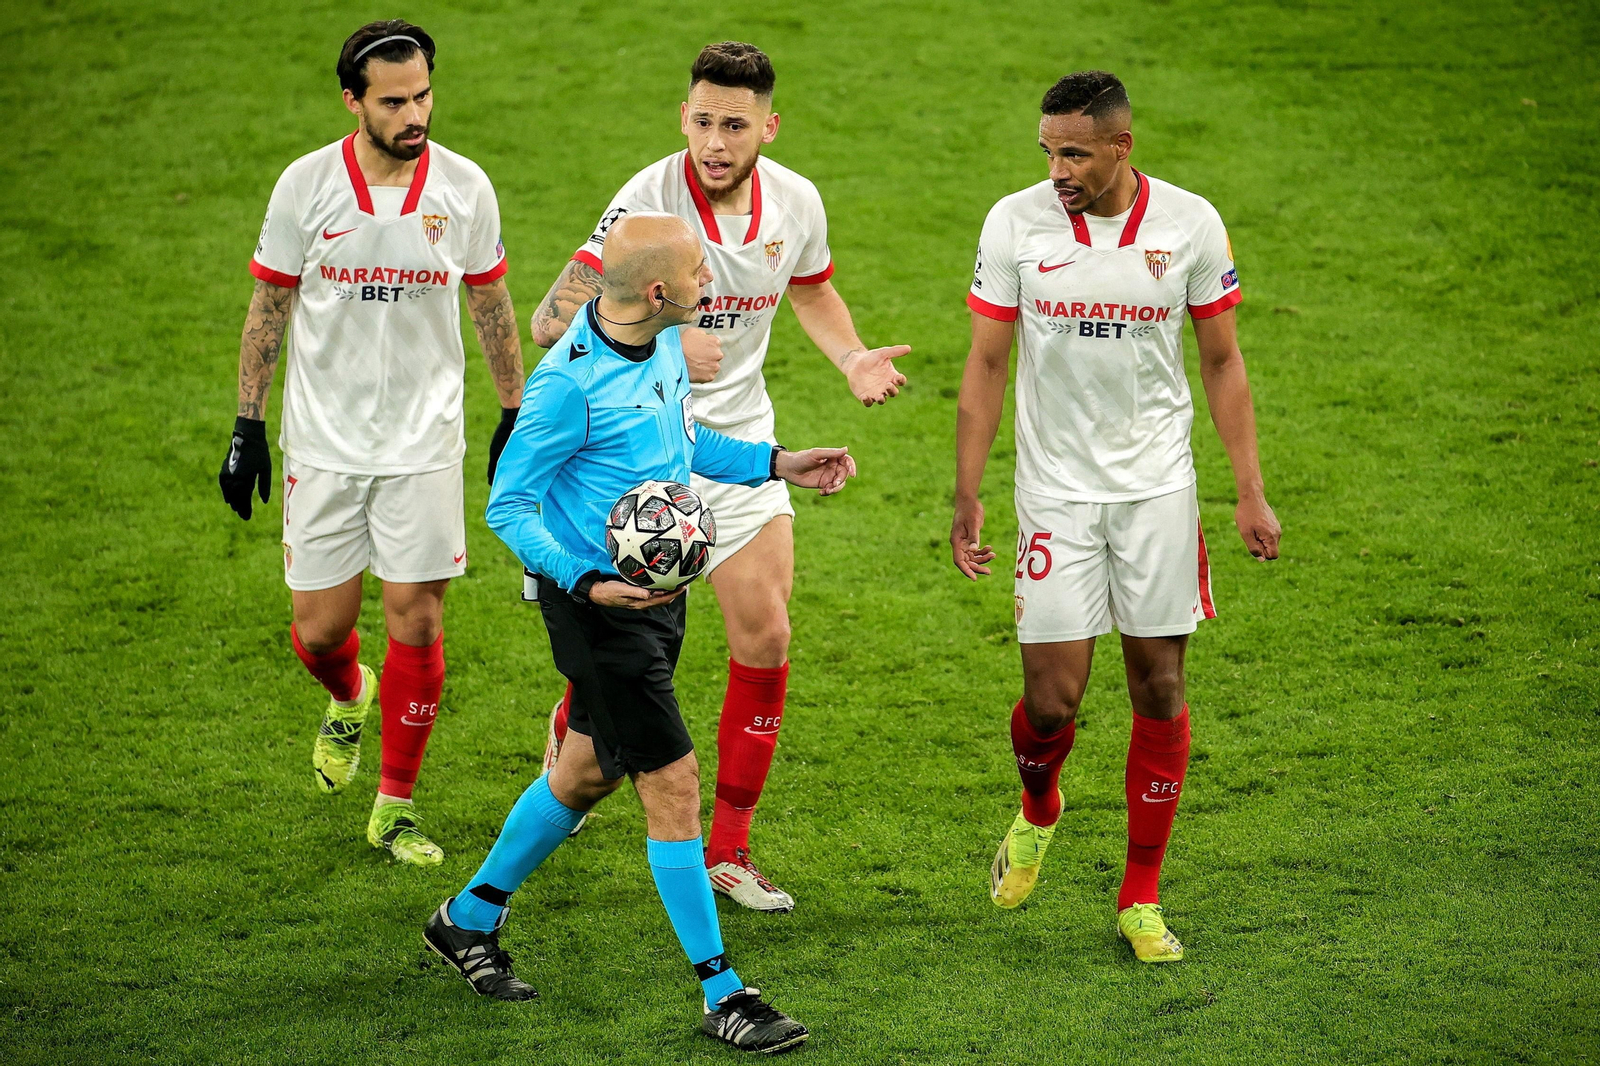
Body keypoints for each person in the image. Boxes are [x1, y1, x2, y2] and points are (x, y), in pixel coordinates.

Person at [424, 213, 848, 1051]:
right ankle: (724, 993)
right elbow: (508, 503)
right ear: (660, 291)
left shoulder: (661, 346)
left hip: (653, 596)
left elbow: (681, 442)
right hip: (596, 609)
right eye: (698, 270)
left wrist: (778, 461)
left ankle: (465, 918)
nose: (709, 283)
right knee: (674, 782)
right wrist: (585, 579)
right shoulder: (566, 386)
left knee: (583, 772)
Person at [524, 41, 909, 911]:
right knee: (628, 649)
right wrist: (655, 332)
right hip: (635, 454)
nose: (715, 140)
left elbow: (808, 289)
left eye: (735, 124)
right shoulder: (645, 204)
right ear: (684, 118)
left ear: (769, 127)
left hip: (739, 442)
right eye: (702, 120)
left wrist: (849, 358)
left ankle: (727, 848)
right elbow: (553, 319)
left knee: (765, 634)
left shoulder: (797, 202)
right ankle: (576, 737)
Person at [951, 71, 1282, 962]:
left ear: (1121, 146)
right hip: (1054, 492)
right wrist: (968, 489)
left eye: (1075, 152)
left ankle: (1140, 896)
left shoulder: (1190, 225)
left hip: (1156, 491)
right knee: (1052, 704)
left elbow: (1221, 362)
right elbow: (986, 363)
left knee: (1159, 689)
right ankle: (1039, 806)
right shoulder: (1014, 223)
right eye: (1048, 150)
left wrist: (1247, 487)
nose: (1058, 169)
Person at [217, 19, 525, 866]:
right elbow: (269, 307)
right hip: (323, 442)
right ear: (353, 101)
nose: (413, 112)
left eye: (423, 94)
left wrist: (511, 411)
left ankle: (395, 806)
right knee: (319, 632)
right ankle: (351, 697)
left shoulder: (464, 188)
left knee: (417, 622)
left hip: (424, 445)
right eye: (394, 101)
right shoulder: (305, 186)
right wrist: (247, 423)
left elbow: (492, 302)